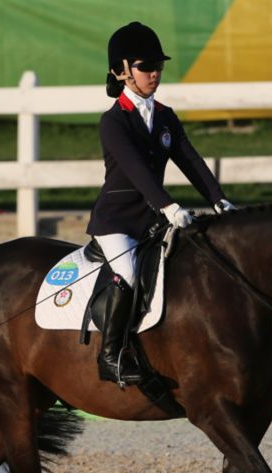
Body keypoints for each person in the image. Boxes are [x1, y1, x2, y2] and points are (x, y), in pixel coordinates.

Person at [88, 21, 237, 386]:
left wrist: (219, 199)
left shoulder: (165, 116)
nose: (154, 73)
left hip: (152, 219)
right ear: (123, 71)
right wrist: (169, 206)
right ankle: (110, 356)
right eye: (145, 67)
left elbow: (190, 160)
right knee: (128, 273)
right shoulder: (114, 122)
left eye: (158, 66)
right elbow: (136, 170)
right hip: (117, 220)